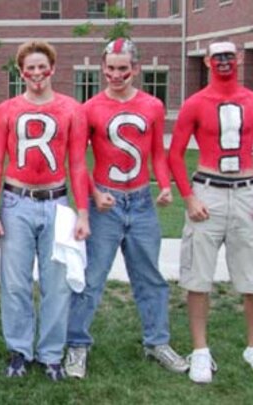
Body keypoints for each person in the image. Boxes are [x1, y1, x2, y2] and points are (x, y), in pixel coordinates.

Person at [65, 38, 188, 378]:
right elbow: (77, 160)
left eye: (123, 68)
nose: (116, 74)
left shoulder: (152, 105)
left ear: (135, 69)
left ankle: (157, 341)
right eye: (111, 68)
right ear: (102, 68)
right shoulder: (89, 108)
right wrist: (93, 193)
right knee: (91, 279)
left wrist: (164, 185)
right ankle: (76, 345)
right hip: (106, 202)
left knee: (150, 277)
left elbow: (158, 154)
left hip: (141, 201)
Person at [0, 41, 89, 381]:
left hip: (56, 201)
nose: (37, 74)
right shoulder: (7, 109)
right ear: (21, 72)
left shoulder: (71, 108)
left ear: (52, 68)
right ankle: (19, 349)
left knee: (55, 283)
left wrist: (83, 212)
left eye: (42, 67)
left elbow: (77, 164)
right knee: (15, 283)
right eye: (30, 68)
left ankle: (51, 354)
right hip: (16, 201)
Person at [168, 39, 253, 384]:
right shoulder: (195, 103)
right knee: (198, 276)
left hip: (246, 189)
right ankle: (200, 350)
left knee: (251, 277)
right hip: (208, 190)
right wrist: (189, 198)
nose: (223, 62)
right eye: (217, 57)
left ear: (240, 57)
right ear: (206, 61)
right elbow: (174, 154)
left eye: (228, 56)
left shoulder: (250, 100)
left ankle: (251, 345)